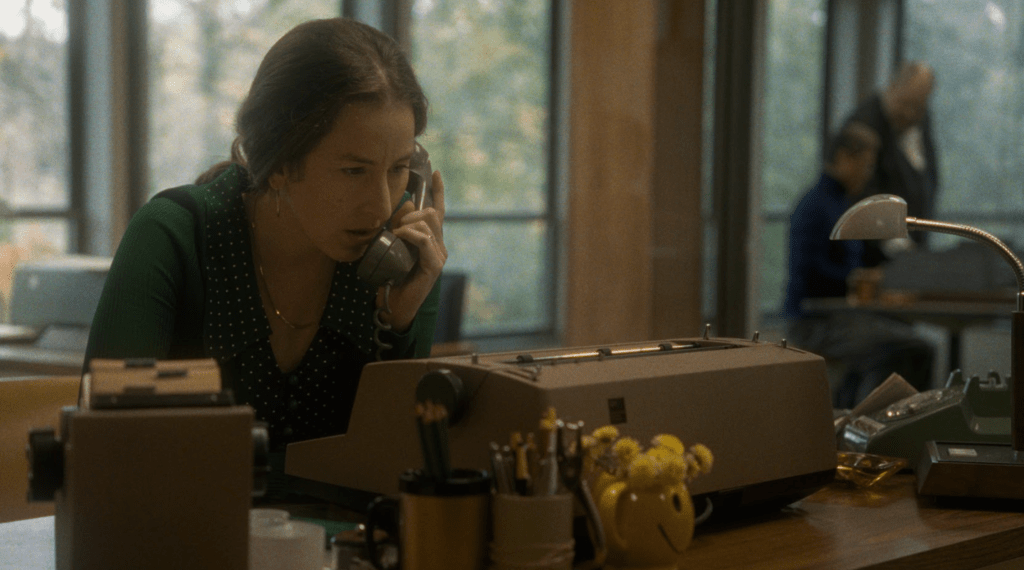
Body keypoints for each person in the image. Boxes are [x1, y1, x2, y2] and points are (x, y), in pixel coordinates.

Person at [83, 18, 447, 493]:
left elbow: (399, 472)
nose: (380, 206)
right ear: (278, 166)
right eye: (353, 171)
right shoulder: (172, 237)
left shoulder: (401, 256)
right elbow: (105, 458)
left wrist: (399, 327)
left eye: (398, 170)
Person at [783, 121, 935, 409]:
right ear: (843, 158)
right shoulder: (814, 206)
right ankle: (867, 421)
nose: (868, 175)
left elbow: (858, 260)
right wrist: (861, 281)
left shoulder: (842, 204)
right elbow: (811, 273)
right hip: (814, 322)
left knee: (909, 343)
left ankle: (876, 416)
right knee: (912, 348)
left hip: (841, 315)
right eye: (866, 166)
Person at [845, 61, 938, 265]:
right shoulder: (864, 123)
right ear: (893, 87)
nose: (910, 114)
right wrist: (897, 244)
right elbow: (861, 193)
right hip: (873, 257)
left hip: (913, 251)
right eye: (905, 104)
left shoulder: (921, 119)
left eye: (919, 107)